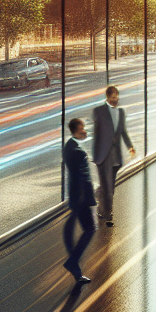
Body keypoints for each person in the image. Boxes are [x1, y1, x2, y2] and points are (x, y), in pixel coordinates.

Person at [92, 85, 135, 227]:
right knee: (108, 187)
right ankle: (108, 214)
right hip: (104, 156)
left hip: (116, 156)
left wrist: (130, 147)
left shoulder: (121, 113)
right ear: (107, 98)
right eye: (113, 98)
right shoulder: (99, 112)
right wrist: (96, 156)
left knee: (109, 186)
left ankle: (99, 198)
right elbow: (96, 136)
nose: (116, 100)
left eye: (117, 97)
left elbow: (123, 131)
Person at [62, 117, 96, 284]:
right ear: (75, 131)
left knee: (72, 230)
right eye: (82, 129)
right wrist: (88, 199)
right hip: (82, 198)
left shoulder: (69, 146)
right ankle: (72, 262)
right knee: (90, 229)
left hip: (75, 196)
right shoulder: (79, 152)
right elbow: (84, 178)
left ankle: (75, 267)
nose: (85, 131)